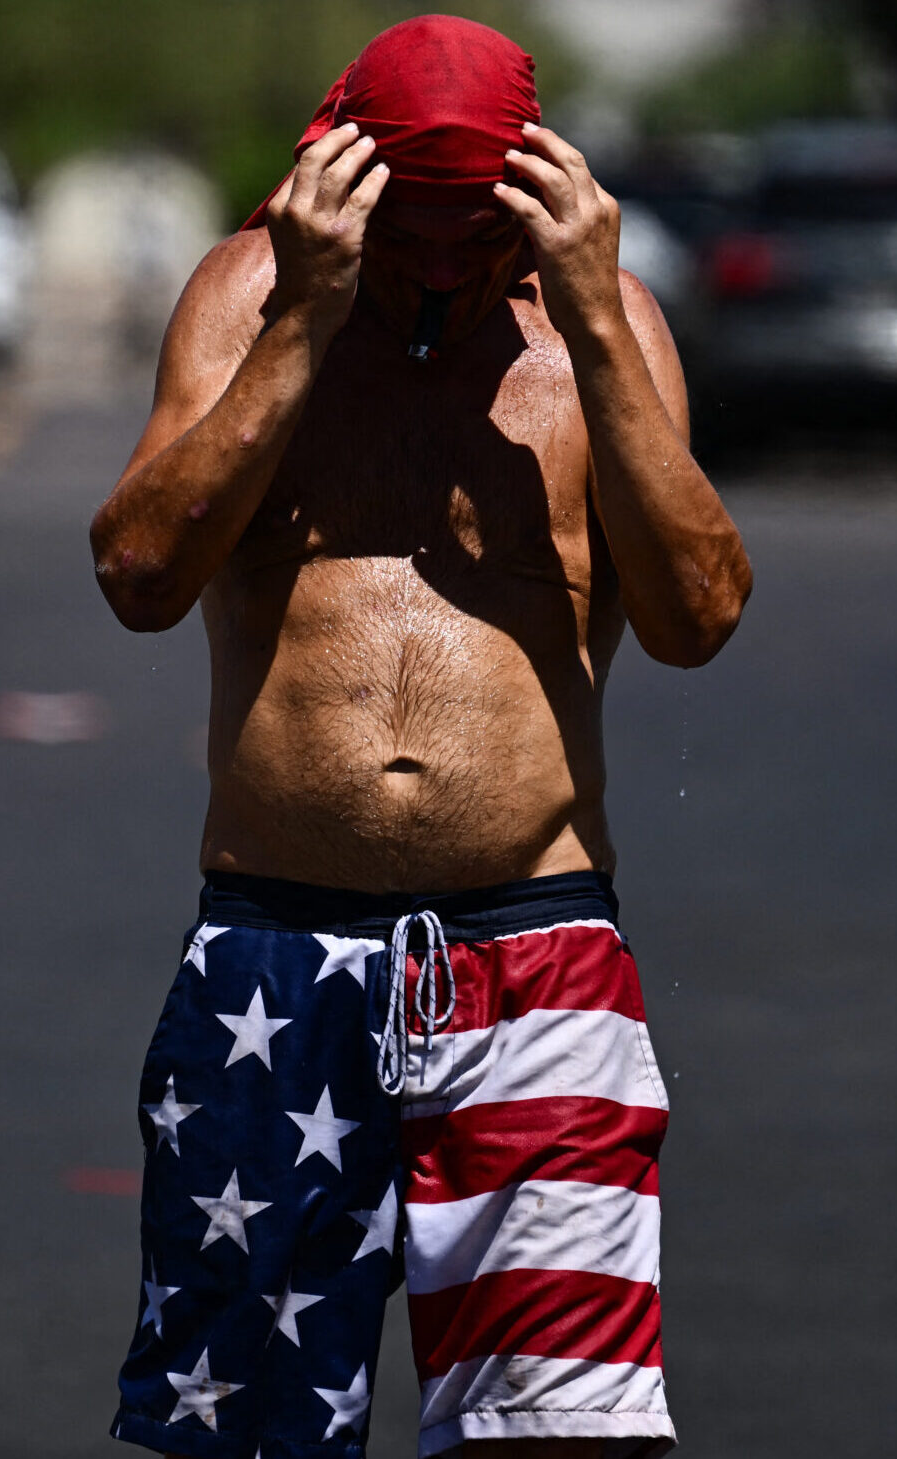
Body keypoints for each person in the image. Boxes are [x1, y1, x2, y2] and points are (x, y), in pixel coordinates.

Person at [89, 16, 749, 1459]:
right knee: (244, 1438)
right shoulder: (247, 295)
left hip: (536, 960)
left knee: (558, 1437)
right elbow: (140, 577)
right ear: (339, 185)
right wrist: (307, 324)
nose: (443, 270)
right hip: (277, 957)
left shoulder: (612, 330)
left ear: (535, 198)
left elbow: (699, 613)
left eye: (474, 236)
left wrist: (587, 315)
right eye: (410, 233)